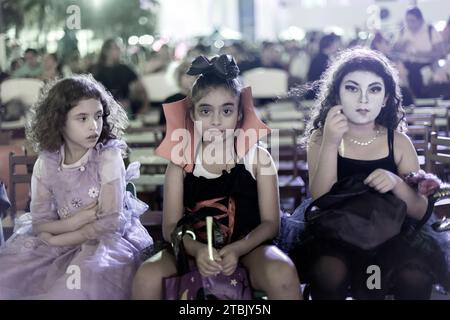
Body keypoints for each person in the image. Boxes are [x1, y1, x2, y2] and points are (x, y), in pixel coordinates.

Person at [132, 54, 302, 300]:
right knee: (147, 276)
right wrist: (197, 250)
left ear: (239, 115)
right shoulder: (180, 163)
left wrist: (238, 248)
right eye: (206, 110)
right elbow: (170, 226)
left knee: (282, 272)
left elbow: (270, 223)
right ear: (192, 115)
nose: (216, 121)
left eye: (226, 110)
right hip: (192, 248)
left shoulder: (259, 158)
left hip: (249, 247)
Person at [286, 47, 450, 300]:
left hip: (391, 233)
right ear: (337, 95)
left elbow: (419, 210)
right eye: (352, 88)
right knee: (329, 271)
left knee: (413, 274)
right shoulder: (321, 138)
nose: (363, 99)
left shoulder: (398, 142)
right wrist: (331, 142)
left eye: (374, 89)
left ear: (385, 98)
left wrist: (396, 183)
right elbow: (320, 195)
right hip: (336, 232)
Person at [0, 75, 153, 299]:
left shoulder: (107, 157)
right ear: (59, 121)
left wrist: (55, 237)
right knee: (6, 280)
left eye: (98, 116)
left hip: (104, 244)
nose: (94, 126)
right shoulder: (47, 162)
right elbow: (41, 222)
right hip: (57, 242)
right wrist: (75, 221)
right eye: (82, 118)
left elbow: (109, 223)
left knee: (78, 285)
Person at [92, 38, 150, 118]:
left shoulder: (125, 69)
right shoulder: (96, 71)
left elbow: (142, 89)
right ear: (106, 51)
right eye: (116, 48)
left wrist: (144, 106)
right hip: (103, 112)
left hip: (124, 111)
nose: (119, 50)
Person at [394, 6, 444, 97]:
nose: (410, 24)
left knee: (419, 78)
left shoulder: (430, 30)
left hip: (426, 65)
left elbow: (439, 52)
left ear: (420, 20)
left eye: (412, 21)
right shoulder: (404, 31)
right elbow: (395, 50)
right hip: (407, 65)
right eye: (407, 21)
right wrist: (403, 45)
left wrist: (420, 54)